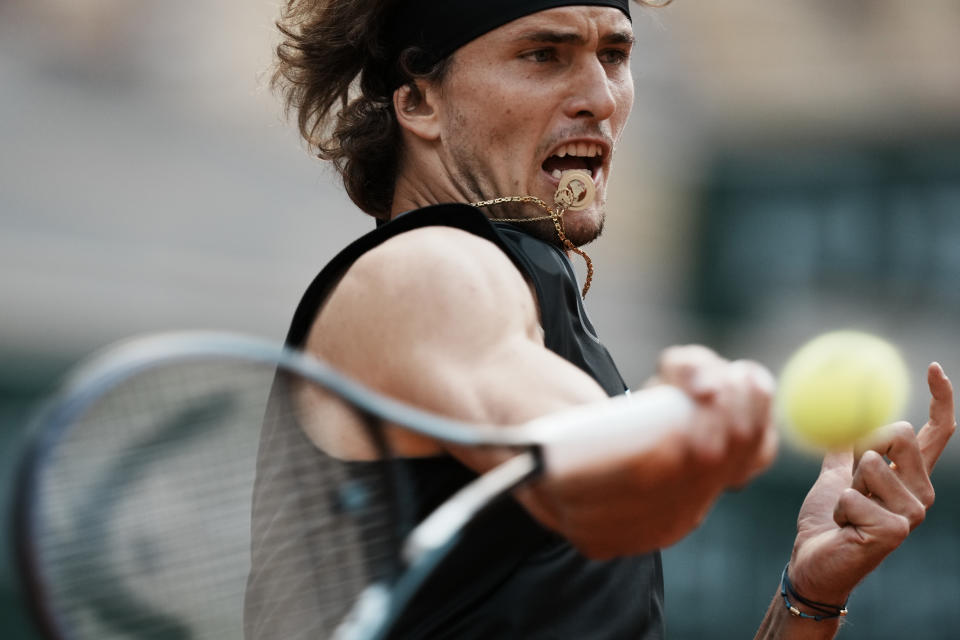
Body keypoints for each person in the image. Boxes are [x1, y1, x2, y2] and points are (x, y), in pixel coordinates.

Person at [245, 1, 957, 638]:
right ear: (419, 102)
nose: (598, 98)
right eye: (543, 55)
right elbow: (593, 491)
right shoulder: (428, 270)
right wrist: (686, 429)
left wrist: (808, 597)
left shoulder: (534, 300)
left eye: (614, 56)